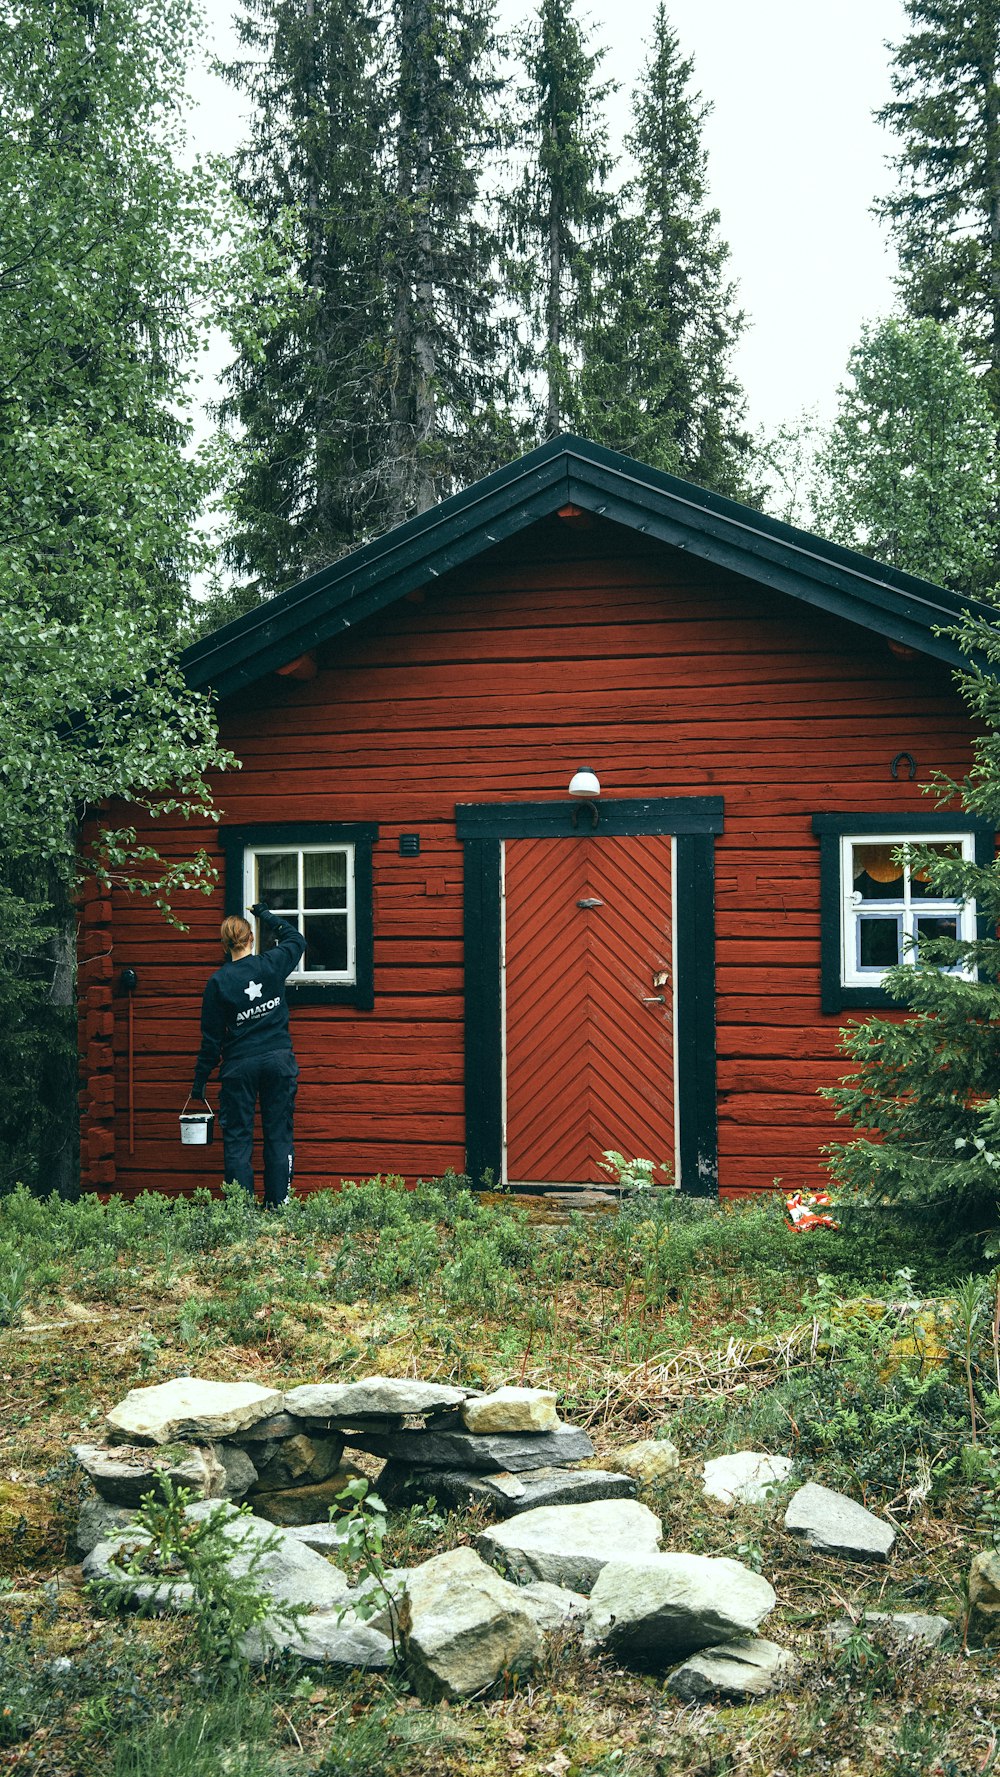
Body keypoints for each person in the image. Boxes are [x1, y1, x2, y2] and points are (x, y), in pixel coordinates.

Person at [191, 903, 306, 1208]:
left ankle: (241, 1212)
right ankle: (278, 1205)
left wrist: (199, 1082)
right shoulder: (271, 964)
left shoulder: (218, 983)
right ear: (251, 938)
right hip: (278, 1062)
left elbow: (211, 1040)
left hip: (239, 1066)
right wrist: (266, 915)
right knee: (278, 1134)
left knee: (238, 1138)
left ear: (224, 944)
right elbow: (297, 940)